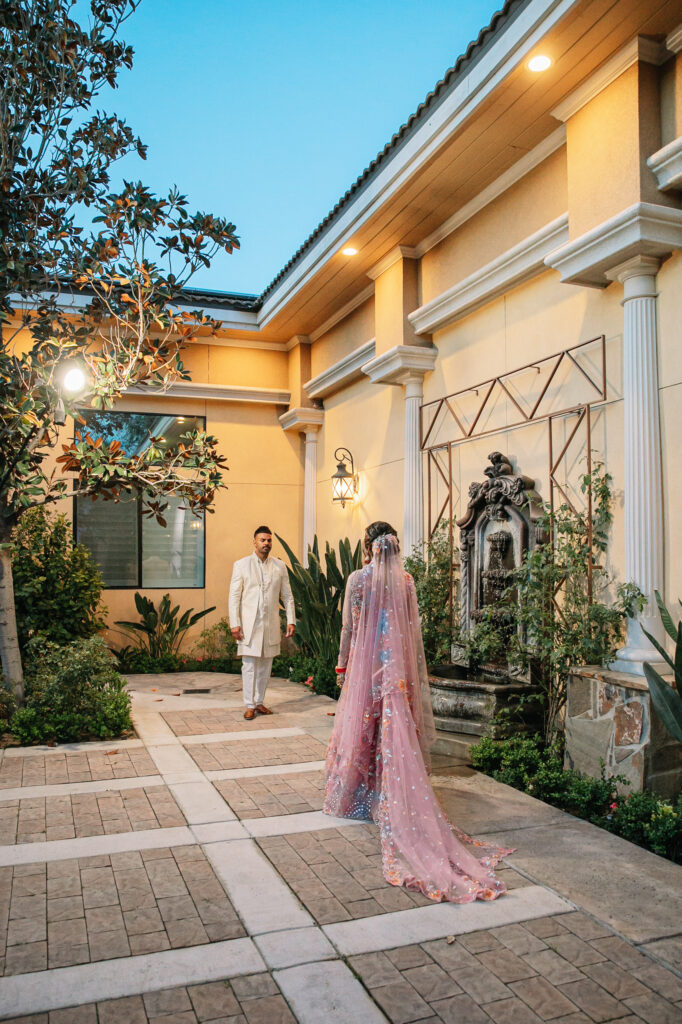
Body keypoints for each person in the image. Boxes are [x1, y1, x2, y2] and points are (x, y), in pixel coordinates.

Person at [323, 520, 513, 903]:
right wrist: (409, 671)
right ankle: (386, 795)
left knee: (364, 728)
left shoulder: (358, 580)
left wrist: (343, 666)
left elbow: (349, 627)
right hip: (396, 670)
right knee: (393, 734)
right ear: (394, 547)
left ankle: (362, 796)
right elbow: (412, 630)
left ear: (367, 547)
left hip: (366, 668)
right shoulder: (406, 582)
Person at [229, 526, 296, 720]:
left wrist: (291, 620)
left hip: (270, 624)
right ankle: (249, 705)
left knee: (266, 666)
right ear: (254, 542)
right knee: (249, 665)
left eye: (268, 540)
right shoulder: (241, 565)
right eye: (262, 540)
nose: (266, 543)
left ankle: (259, 702)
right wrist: (235, 623)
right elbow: (234, 597)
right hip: (249, 625)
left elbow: (288, 596)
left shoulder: (279, 566)